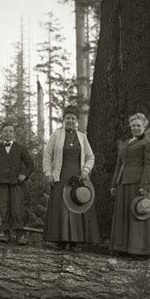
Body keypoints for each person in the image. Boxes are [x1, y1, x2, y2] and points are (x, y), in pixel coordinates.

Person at [43, 105, 100, 249]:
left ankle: (75, 241)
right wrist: (48, 173)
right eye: (67, 118)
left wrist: (86, 170)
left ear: (77, 121)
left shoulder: (82, 137)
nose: (70, 120)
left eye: (73, 118)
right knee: (61, 207)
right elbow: (47, 155)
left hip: (77, 177)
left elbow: (90, 157)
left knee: (76, 205)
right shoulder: (56, 135)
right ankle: (61, 240)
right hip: (60, 177)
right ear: (63, 119)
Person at [110, 113, 150, 256]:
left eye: (138, 125)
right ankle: (123, 247)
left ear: (144, 126)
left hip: (139, 183)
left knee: (138, 214)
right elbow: (119, 164)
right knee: (124, 215)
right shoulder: (125, 143)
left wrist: (144, 186)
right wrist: (114, 184)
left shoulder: (148, 143)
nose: (136, 128)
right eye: (133, 125)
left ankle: (140, 250)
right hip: (123, 183)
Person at [0, 122, 34, 245]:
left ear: (14, 134)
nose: (7, 133)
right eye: (5, 131)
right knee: (3, 207)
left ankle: (19, 235)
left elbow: (30, 164)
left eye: (10, 131)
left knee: (17, 207)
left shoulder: (20, 148)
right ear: (1, 133)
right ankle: (5, 233)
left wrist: (24, 175)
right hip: (2, 183)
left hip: (16, 183)